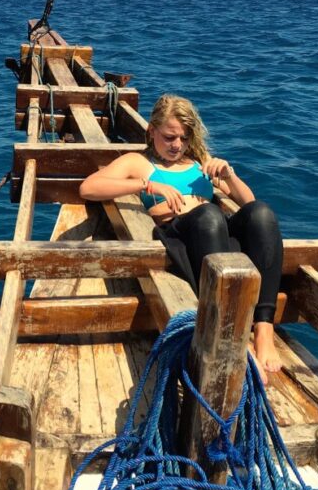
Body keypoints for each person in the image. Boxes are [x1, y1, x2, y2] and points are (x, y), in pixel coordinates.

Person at [79, 94, 284, 380]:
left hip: (215, 236)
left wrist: (229, 175)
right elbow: (88, 187)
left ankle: (263, 329)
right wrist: (149, 186)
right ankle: (233, 337)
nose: (177, 145)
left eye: (184, 138)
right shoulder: (138, 162)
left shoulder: (200, 161)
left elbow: (248, 202)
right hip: (180, 238)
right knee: (209, 217)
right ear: (152, 131)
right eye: (169, 137)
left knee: (262, 214)